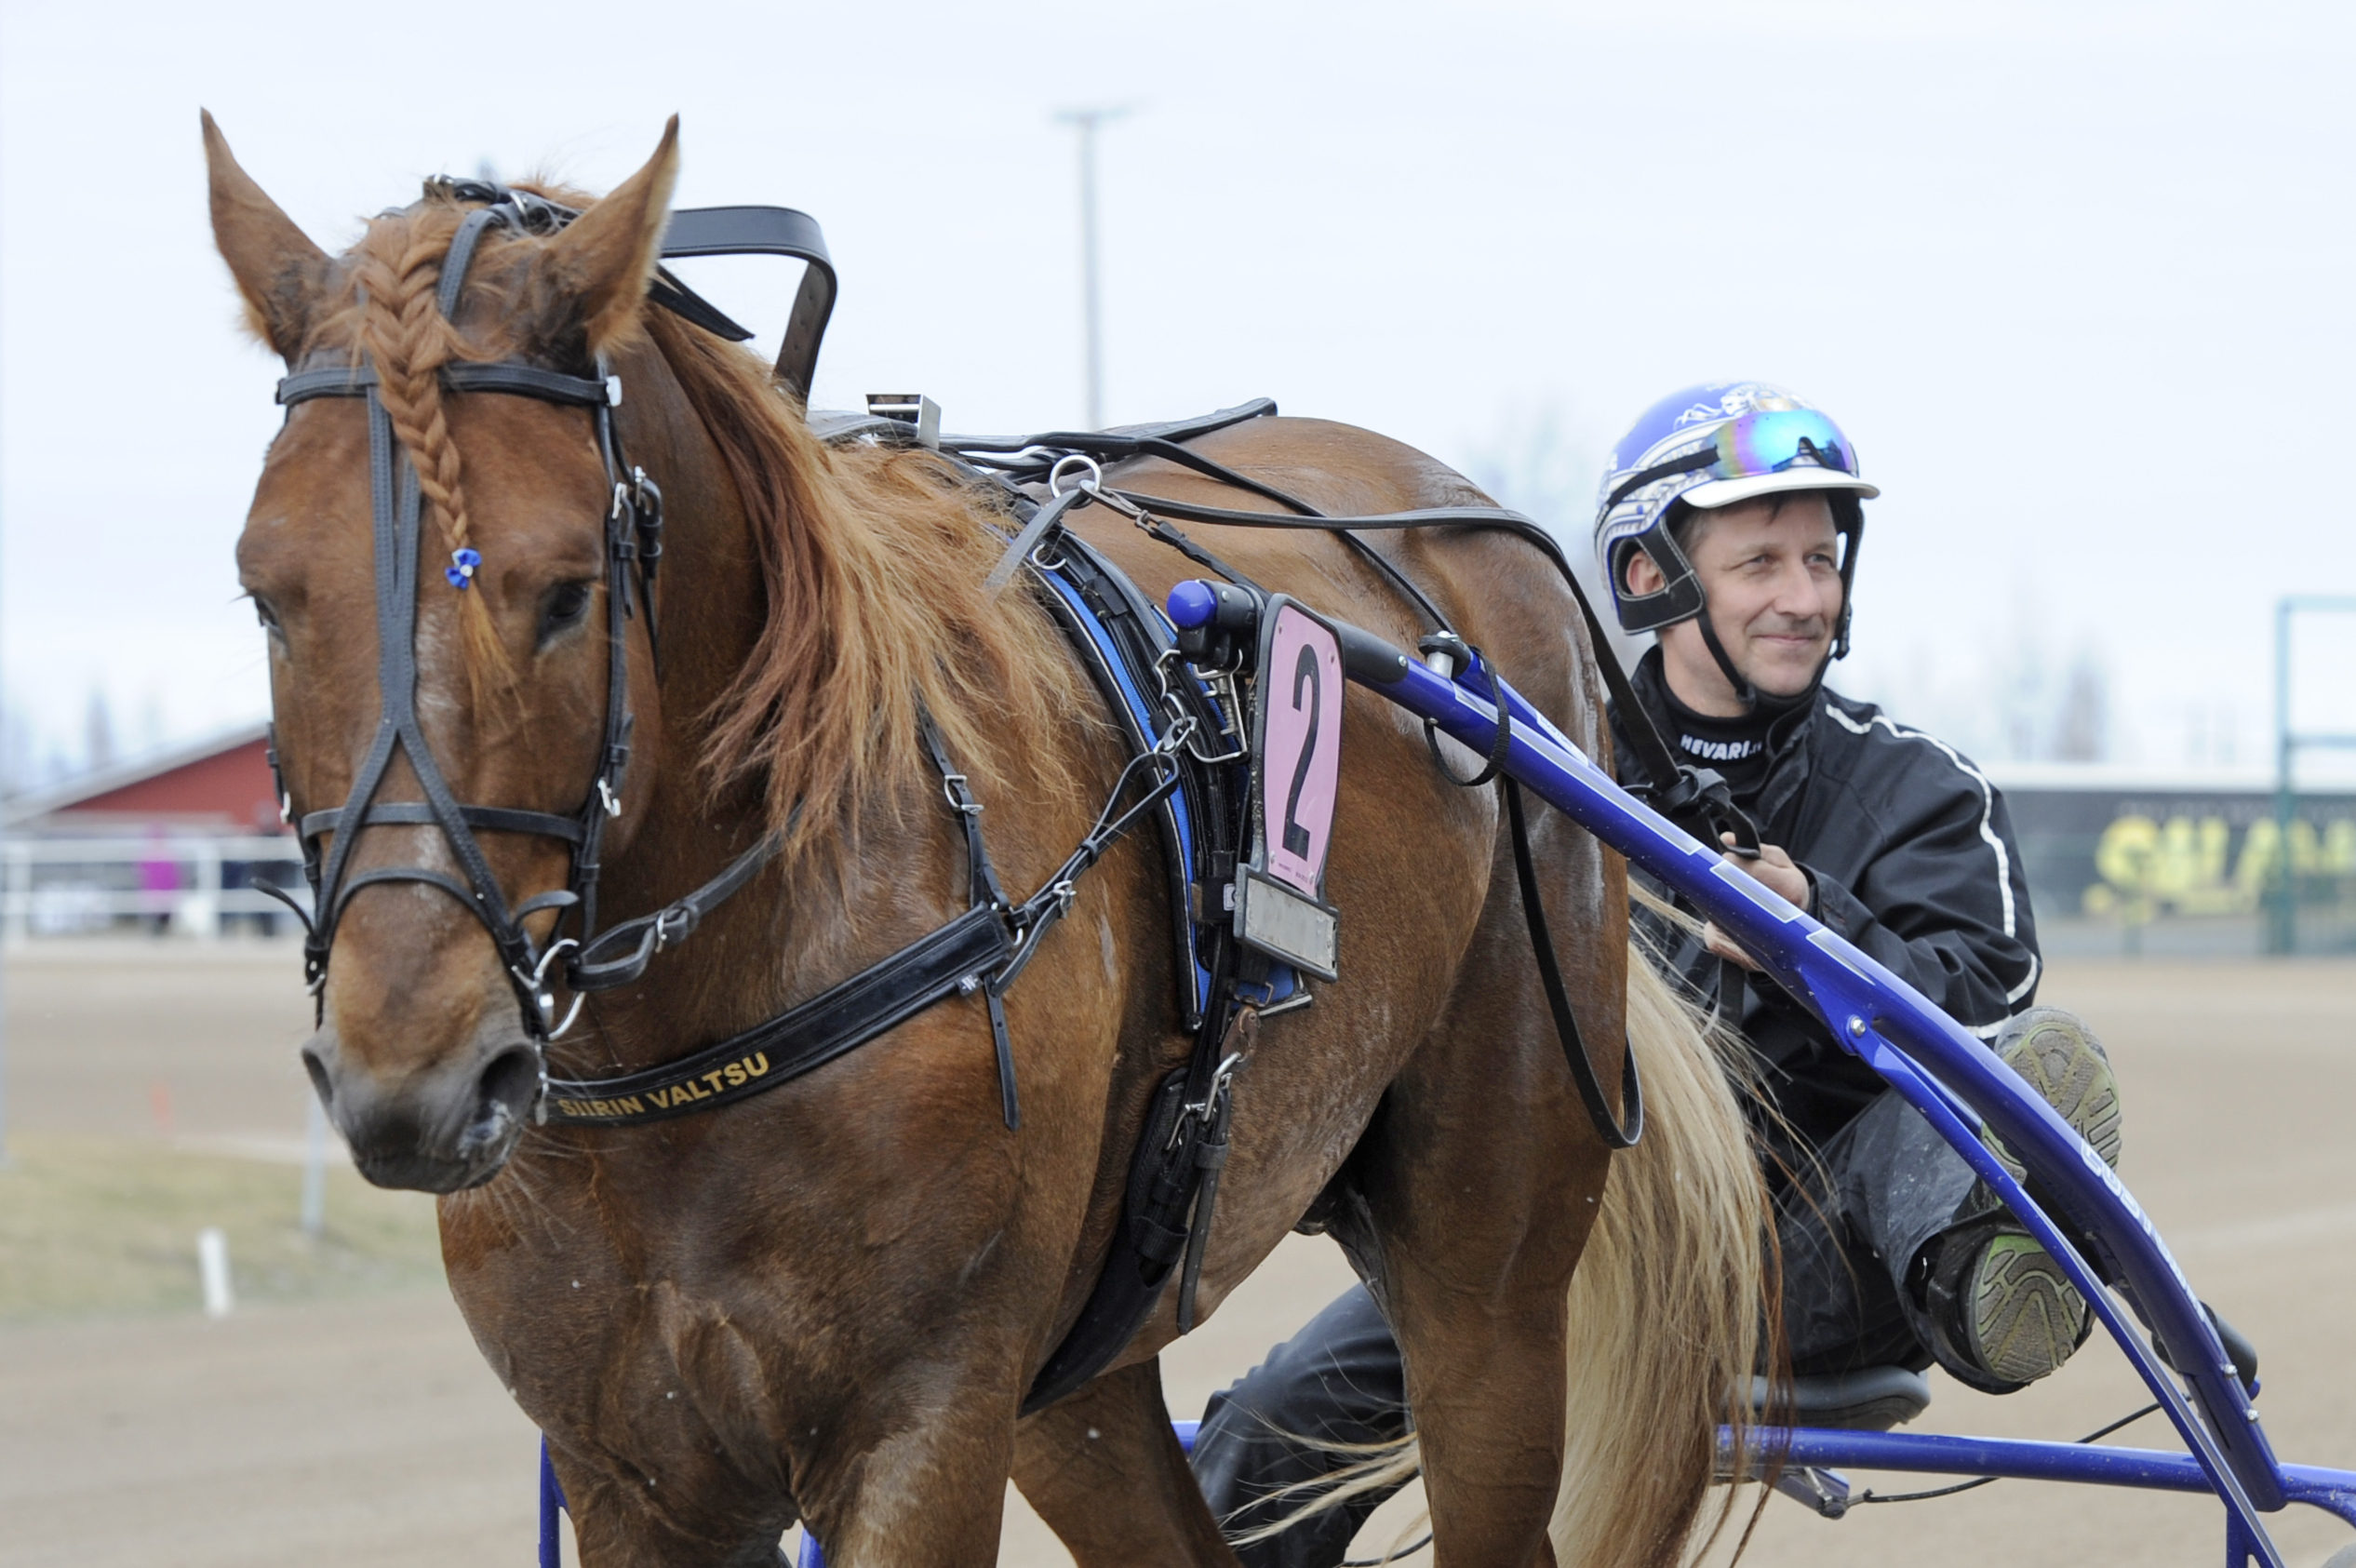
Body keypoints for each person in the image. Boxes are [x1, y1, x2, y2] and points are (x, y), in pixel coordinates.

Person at [1186, 382, 2122, 1567]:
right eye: (1762, 563)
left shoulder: (1921, 789)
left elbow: (1985, 995)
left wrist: (1813, 933)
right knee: (1259, 1444)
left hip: (1805, 1256)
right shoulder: (1533, 771)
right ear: (1650, 577)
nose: (1806, 596)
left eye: (1821, 560)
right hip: (1545, 1244)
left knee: (1982, 1086)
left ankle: (1991, 1257)